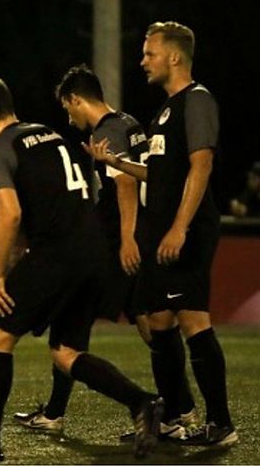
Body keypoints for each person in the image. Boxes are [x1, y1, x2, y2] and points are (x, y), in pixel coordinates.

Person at [0, 76, 163, 462]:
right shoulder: (48, 133)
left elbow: (9, 214)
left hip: (57, 253)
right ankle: (141, 401)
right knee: (66, 352)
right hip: (93, 250)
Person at [12, 65, 199, 440]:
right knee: (150, 322)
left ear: (75, 99)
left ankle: (162, 409)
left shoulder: (106, 131)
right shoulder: (128, 122)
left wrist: (127, 239)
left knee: (72, 323)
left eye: (68, 109)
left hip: (117, 240)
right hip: (137, 233)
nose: (69, 118)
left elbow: (125, 184)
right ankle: (180, 410)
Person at [86, 21, 237, 446]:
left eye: (149, 53)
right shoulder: (165, 111)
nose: (143, 61)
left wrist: (179, 228)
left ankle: (221, 425)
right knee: (157, 320)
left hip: (186, 229)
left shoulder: (197, 99)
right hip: (161, 230)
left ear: (173, 56)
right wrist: (117, 162)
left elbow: (201, 165)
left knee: (192, 318)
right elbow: (160, 173)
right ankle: (172, 418)